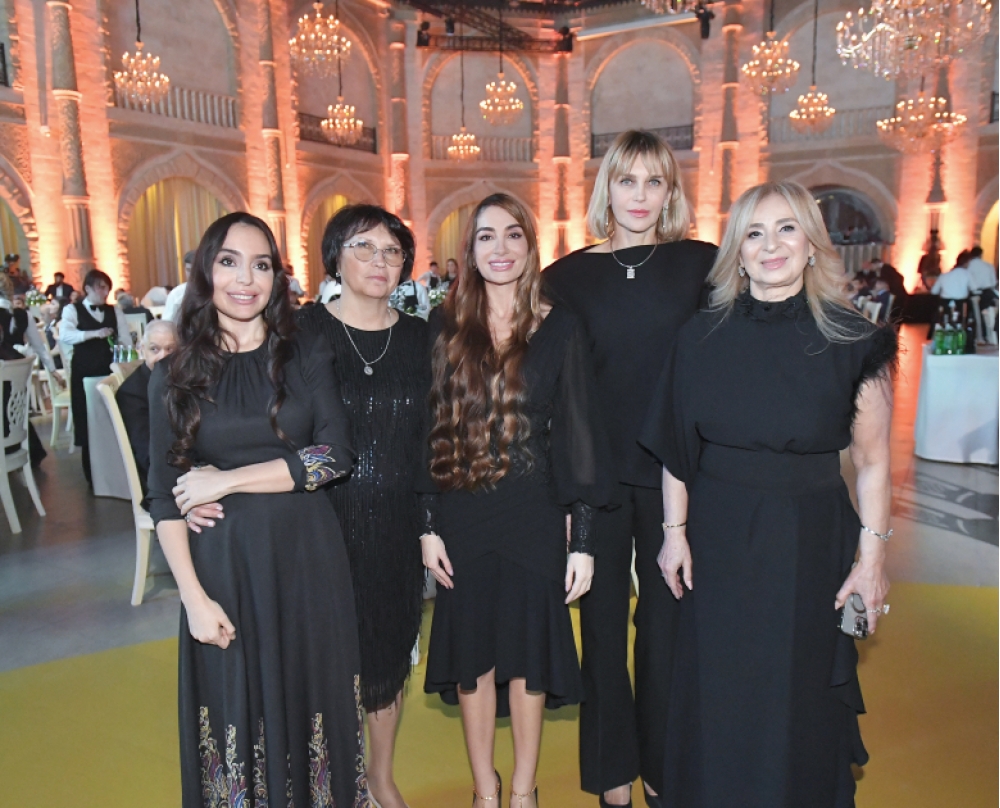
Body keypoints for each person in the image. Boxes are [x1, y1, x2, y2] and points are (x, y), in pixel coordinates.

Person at [640, 180, 895, 808]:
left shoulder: (853, 340)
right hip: (718, 540)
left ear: (811, 244)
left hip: (811, 542)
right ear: (738, 251)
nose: (771, 245)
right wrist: (673, 536)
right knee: (719, 687)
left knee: (797, 689)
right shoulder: (699, 337)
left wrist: (871, 560)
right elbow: (677, 449)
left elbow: (871, 463)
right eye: (754, 233)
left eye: (786, 228)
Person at [146, 212, 371, 808]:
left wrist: (225, 481)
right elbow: (163, 497)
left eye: (261, 264)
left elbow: (335, 457)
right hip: (225, 575)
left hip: (308, 567)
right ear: (205, 273)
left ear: (276, 278)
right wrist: (193, 600)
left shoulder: (306, 353)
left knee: (313, 711)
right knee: (235, 717)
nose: (245, 279)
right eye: (229, 262)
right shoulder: (172, 376)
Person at [419, 193, 611, 808]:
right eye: (485, 237)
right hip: (461, 514)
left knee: (530, 660)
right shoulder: (444, 325)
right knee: (472, 659)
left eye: (512, 235)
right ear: (470, 250)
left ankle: (524, 790)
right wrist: (427, 525)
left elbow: (579, 433)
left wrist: (583, 538)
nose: (499, 249)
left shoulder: (561, 326)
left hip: (536, 513)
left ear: (530, 246)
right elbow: (426, 428)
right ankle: (485, 790)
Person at [544, 129, 716, 808]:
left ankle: (662, 769)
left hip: (681, 480)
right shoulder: (565, 278)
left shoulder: (702, 264)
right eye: (626, 180)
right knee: (603, 634)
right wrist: (562, 496)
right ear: (606, 188)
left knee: (668, 636)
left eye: (654, 181)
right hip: (599, 484)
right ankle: (612, 777)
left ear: (670, 191)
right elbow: (551, 392)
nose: (640, 196)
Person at [296, 205, 426, 808]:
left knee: (387, 650)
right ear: (335, 257)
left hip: (397, 526)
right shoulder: (302, 332)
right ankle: (333, 780)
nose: (380, 261)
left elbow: (436, 437)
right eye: (363, 247)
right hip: (320, 522)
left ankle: (379, 776)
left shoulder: (422, 338)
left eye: (392, 250)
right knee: (324, 656)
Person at [59, 269, 133, 483]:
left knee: (113, 418)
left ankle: (118, 472)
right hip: (83, 372)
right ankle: (92, 475)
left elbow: (126, 339)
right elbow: (65, 335)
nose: (105, 292)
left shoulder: (114, 311)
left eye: (107, 287)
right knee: (86, 420)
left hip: (109, 371)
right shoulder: (72, 310)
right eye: (100, 287)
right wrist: (94, 334)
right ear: (88, 288)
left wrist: (123, 352)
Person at [116, 320, 177, 502]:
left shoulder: (181, 379)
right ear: (142, 349)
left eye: (170, 349)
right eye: (154, 349)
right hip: (162, 486)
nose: (162, 357)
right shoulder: (132, 392)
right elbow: (148, 455)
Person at [966, 246, 998, 344]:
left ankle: (974, 336)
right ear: (981, 254)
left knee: (972, 315)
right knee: (987, 315)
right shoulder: (988, 266)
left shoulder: (967, 266)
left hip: (972, 294)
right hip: (987, 294)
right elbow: (993, 282)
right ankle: (988, 336)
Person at [163, 250, 196, 322]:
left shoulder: (214, 291)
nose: (191, 274)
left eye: (195, 270)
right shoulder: (177, 294)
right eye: (188, 270)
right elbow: (166, 322)